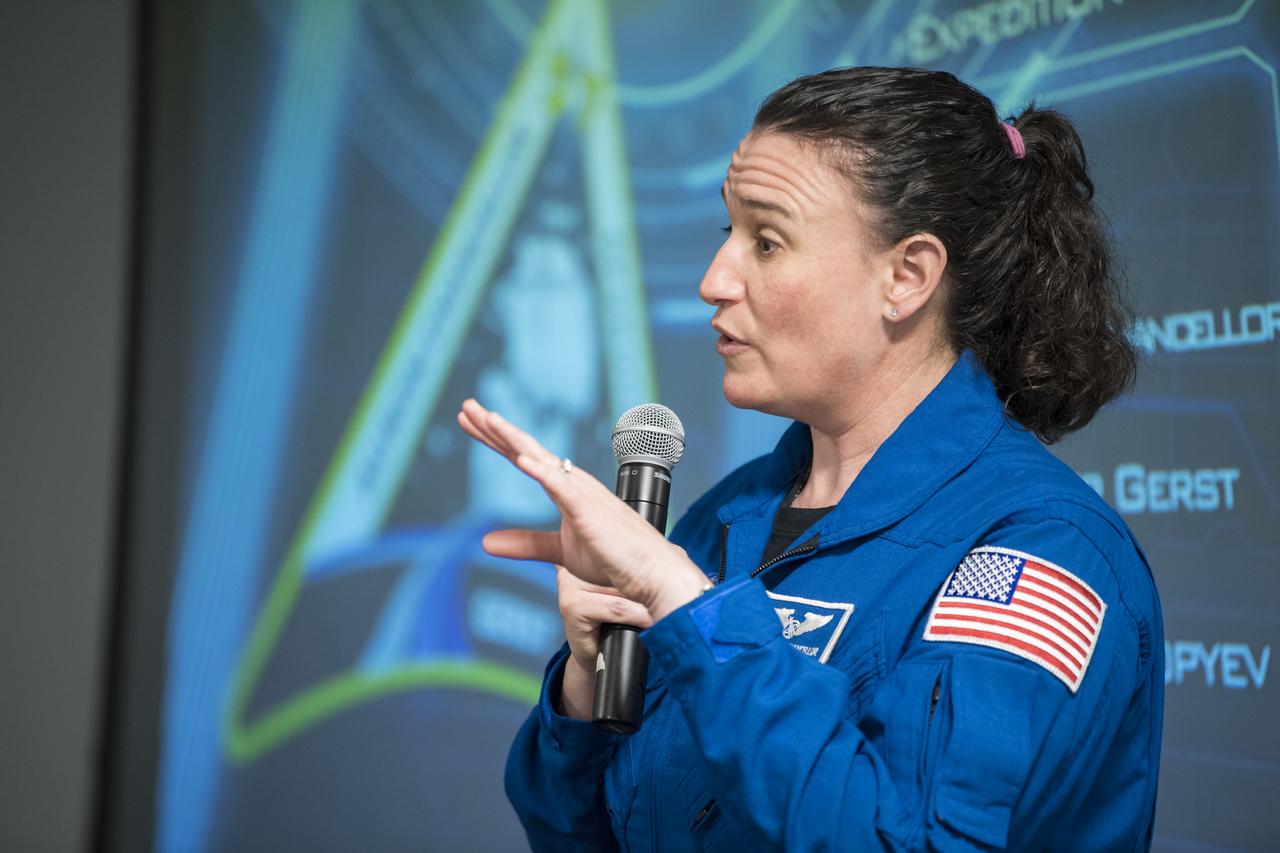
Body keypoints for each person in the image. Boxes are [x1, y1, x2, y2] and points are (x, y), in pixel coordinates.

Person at [457, 66, 1162, 851]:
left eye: (766, 240)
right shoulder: (723, 518)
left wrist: (693, 611)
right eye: (725, 234)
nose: (713, 280)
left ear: (907, 276)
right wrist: (588, 695)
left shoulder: (1041, 549)